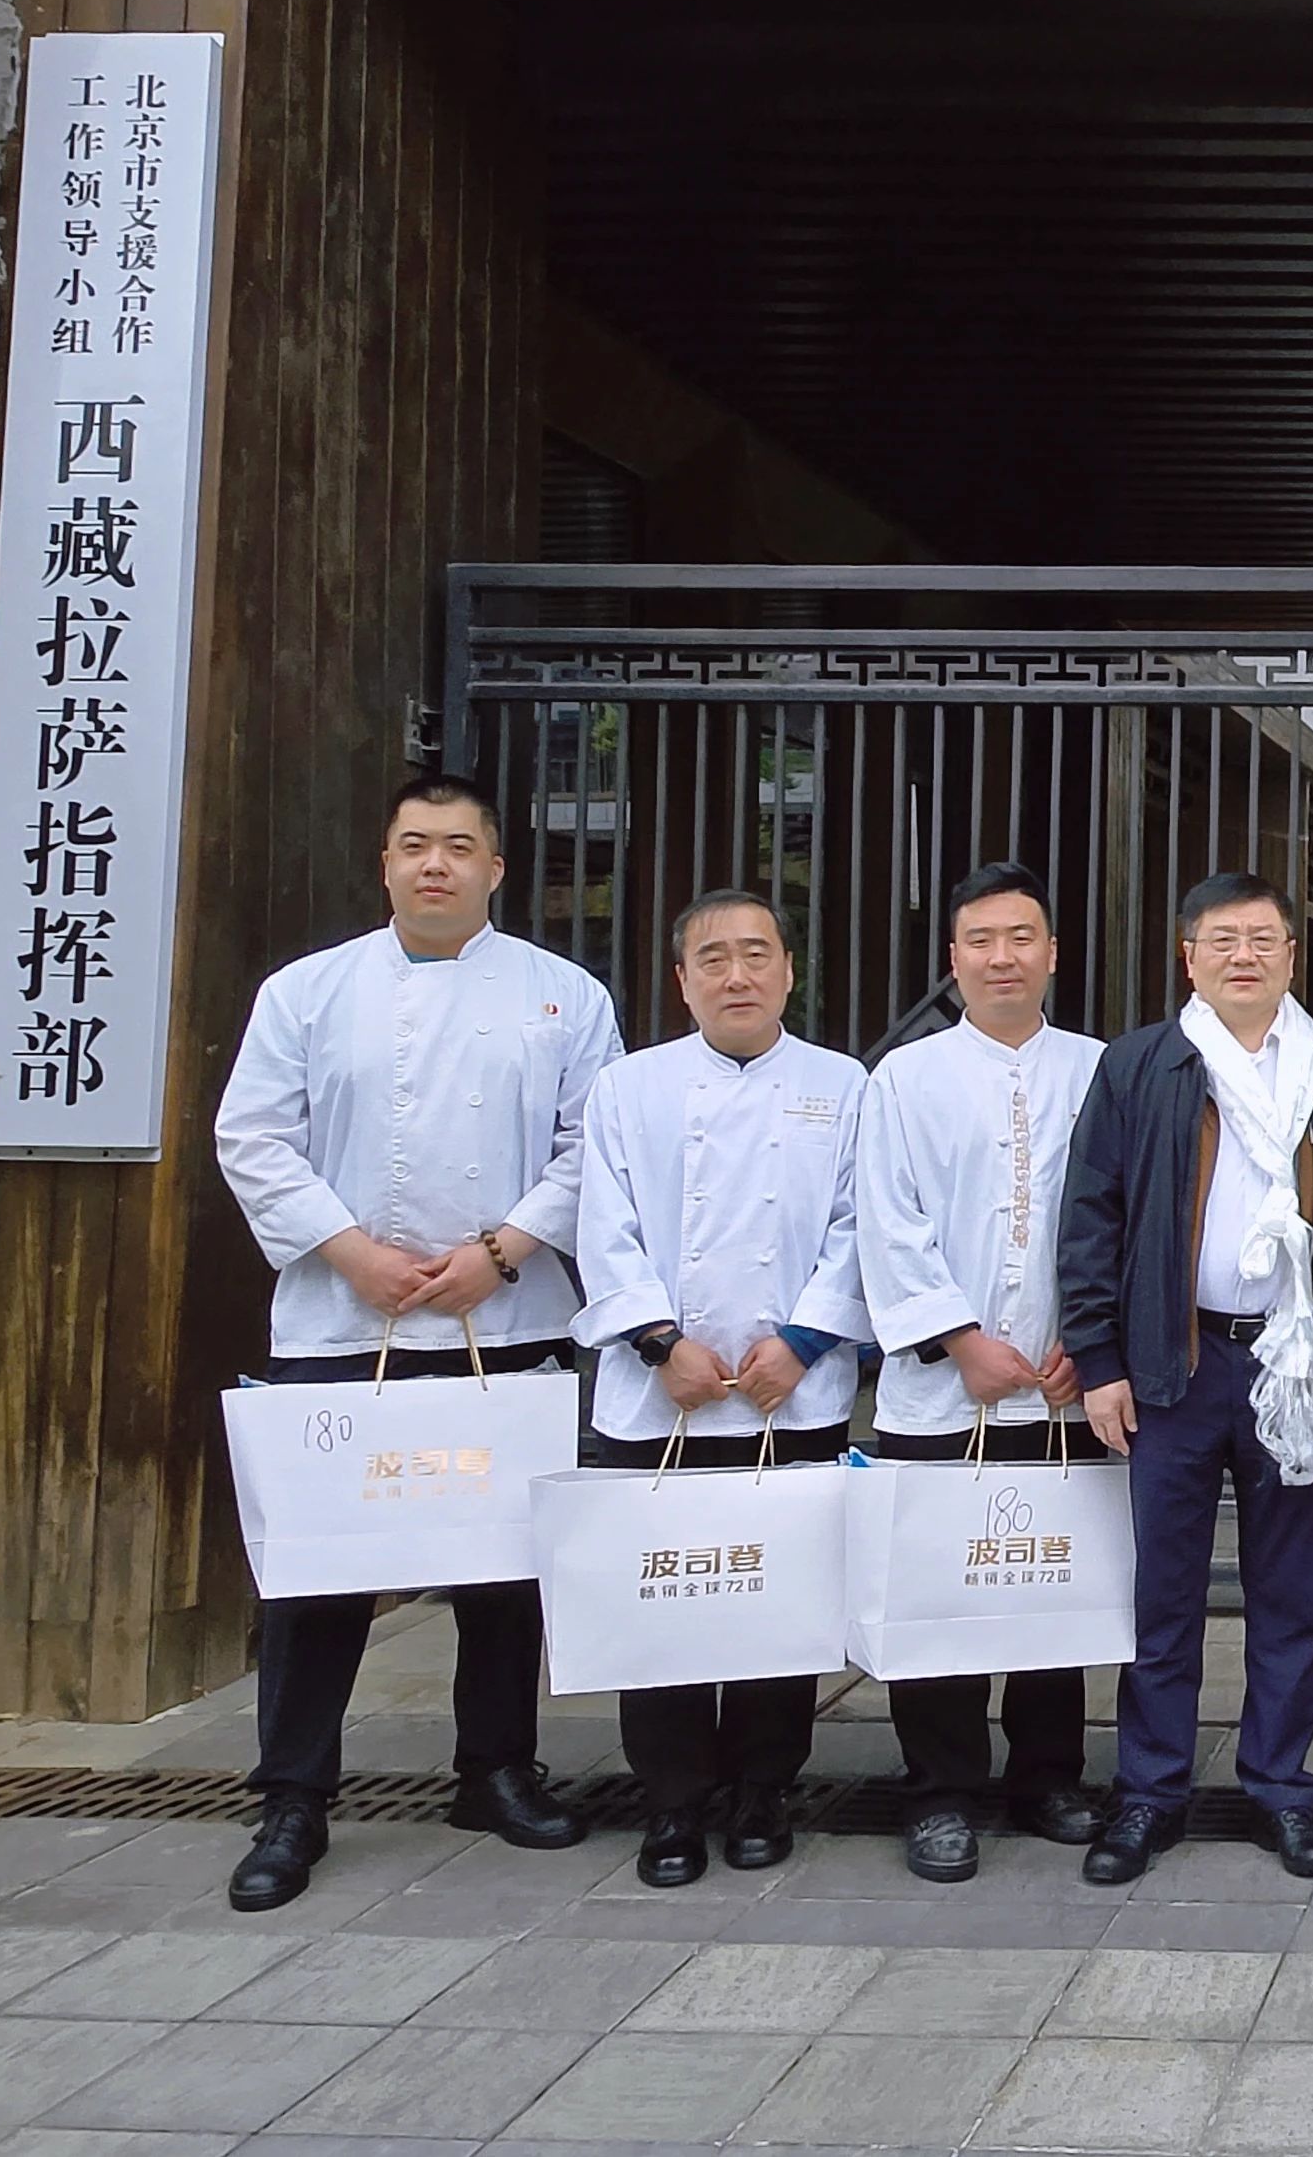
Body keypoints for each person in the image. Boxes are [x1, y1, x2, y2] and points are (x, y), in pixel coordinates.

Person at [209, 774, 621, 1912]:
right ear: (385, 863)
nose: (435, 864)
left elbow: (594, 1145)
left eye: (458, 846)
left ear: (496, 868)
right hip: (343, 1314)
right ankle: (292, 1794)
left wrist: (503, 1248)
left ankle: (497, 1768)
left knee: (502, 1568)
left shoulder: (565, 994)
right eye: (414, 845)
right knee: (320, 1569)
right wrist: (351, 1252)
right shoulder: (306, 991)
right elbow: (253, 1137)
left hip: (506, 1309)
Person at [1058, 871, 1313, 1883]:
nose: (1242, 955)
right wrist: (1100, 1359)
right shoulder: (1143, 1064)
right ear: (1189, 957)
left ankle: (1282, 1786)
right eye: (1222, 939)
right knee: (1163, 1590)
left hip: (1297, 1358)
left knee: (1291, 1590)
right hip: (1176, 1362)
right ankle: (1149, 1789)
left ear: (1292, 956)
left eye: (1262, 938)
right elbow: (1092, 1215)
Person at [569, 889, 872, 1886]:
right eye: (713, 959)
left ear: (789, 969)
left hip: (792, 1390)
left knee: (777, 1602)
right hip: (661, 1393)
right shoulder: (628, 1086)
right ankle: (669, 1799)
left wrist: (803, 1340)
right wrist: (661, 1342)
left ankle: (762, 1787)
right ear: (681, 980)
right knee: (665, 1599)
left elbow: (858, 1225)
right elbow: (603, 1224)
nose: (736, 975)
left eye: (755, 954)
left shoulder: (844, 1084)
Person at [853, 863, 1106, 1880]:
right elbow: (887, 1222)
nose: (1003, 957)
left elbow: (1123, 1217)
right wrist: (959, 1338)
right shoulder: (902, 1080)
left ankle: (1048, 1776)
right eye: (981, 940)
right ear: (953, 958)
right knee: (939, 1590)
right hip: (940, 1389)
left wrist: (1092, 1338)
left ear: (1052, 953)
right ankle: (940, 1790)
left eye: (1021, 937)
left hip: (1063, 1382)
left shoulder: (1100, 1070)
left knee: (1052, 1581)